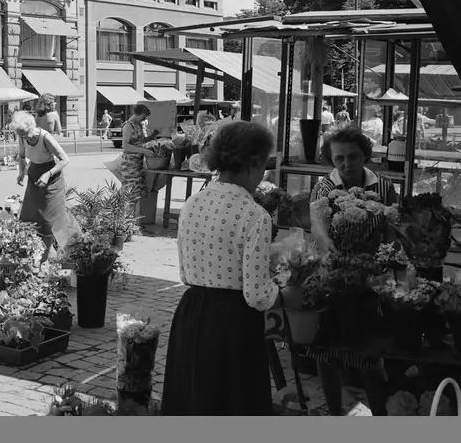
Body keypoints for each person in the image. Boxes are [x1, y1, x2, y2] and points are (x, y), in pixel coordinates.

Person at [161, 121, 279, 415]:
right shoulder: (255, 215)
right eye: (264, 165)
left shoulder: (191, 204)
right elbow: (256, 295)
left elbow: (186, 274)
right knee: (233, 400)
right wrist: (282, 290)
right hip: (234, 322)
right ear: (253, 163)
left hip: (192, 313)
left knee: (193, 397)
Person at [308, 125, 400, 416]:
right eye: (339, 159)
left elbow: (390, 231)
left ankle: (379, 413)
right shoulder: (324, 187)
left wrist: (389, 263)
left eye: (353, 156)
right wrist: (331, 250)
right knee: (328, 348)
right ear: (331, 160)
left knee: (370, 350)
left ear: (365, 156)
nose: (347, 164)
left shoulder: (383, 187)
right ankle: (335, 412)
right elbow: (318, 229)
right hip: (334, 276)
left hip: (371, 277)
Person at [12, 110, 73, 261]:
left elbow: (65, 159)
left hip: (51, 179)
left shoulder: (45, 137)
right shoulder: (22, 136)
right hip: (34, 177)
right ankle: (37, 257)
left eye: (25, 133)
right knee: (30, 216)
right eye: (20, 135)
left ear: (32, 127)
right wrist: (21, 172)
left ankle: (65, 255)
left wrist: (47, 174)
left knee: (50, 219)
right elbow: (21, 155)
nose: (23, 137)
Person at [119, 104, 161, 220]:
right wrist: (143, 150)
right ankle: (125, 220)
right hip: (129, 164)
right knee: (131, 193)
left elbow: (141, 140)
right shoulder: (128, 126)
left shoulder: (138, 125)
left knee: (137, 193)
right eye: (143, 117)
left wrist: (153, 135)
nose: (144, 119)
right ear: (136, 114)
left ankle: (129, 219)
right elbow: (125, 146)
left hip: (138, 163)